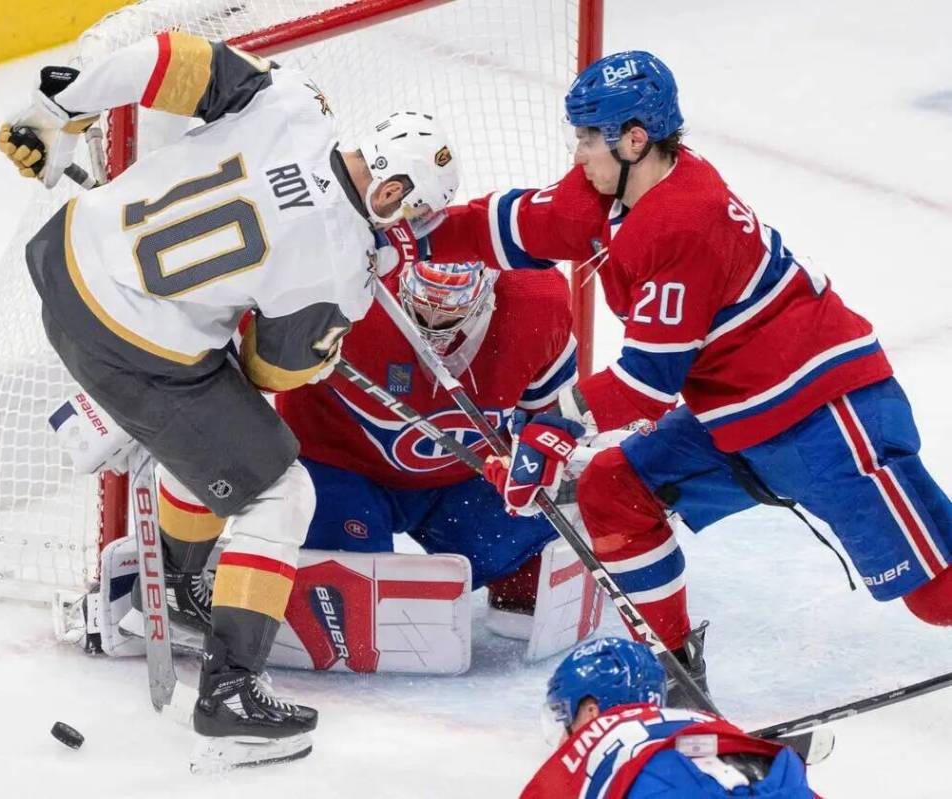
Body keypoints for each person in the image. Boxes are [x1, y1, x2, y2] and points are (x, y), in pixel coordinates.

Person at [428, 50, 952, 703]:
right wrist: (412, 235)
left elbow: (646, 383)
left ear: (635, 140)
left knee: (937, 597)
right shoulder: (608, 186)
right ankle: (677, 675)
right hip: (736, 419)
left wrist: (551, 423)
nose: (580, 150)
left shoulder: (684, 219)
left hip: (824, 412)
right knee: (615, 488)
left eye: (591, 137)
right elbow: (522, 225)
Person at [0, 30, 458, 766]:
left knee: (227, 426)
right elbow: (270, 370)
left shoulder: (293, 101)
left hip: (66, 256)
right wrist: (327, 333)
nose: (404, 224)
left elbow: (175, 58)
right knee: (280, 487)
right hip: (131, 349)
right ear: (393, 191)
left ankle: (176, 585)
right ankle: (231, 693)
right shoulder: (341, 269)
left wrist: (63, 109)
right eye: (409, 209)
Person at [275, 258, 580, 612]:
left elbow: (550, 416)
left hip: (466, 475)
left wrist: (534, 461)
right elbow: (248, 352)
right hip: (339, 464)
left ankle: (513, 567)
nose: (434, 322)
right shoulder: (343, 272)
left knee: (520, 546)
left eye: (451, 309)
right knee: (344, 584)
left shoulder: (534, 298)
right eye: (422, 306)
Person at [522, 636, 817, 797]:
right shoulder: (699, 728)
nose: (563, 737)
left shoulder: (590, 753)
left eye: (564, 718)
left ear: (590, 711)